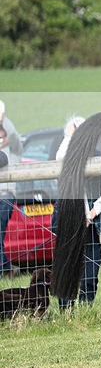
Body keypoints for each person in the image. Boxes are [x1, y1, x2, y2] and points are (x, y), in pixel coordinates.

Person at [54, 116, 101, 304]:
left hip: (94, 222)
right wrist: (70, 135)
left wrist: (91, 214)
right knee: (67, 268)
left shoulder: (100, 156)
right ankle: (66, 312)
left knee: (90, 273)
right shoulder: (66, 157)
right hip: (70, 219)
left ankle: (86, 308)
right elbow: (60, 157)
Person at [0, 100, 23, 278]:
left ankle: (5, 268)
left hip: (5, 193)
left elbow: (14, 139)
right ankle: (6, 267)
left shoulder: (11, 137)